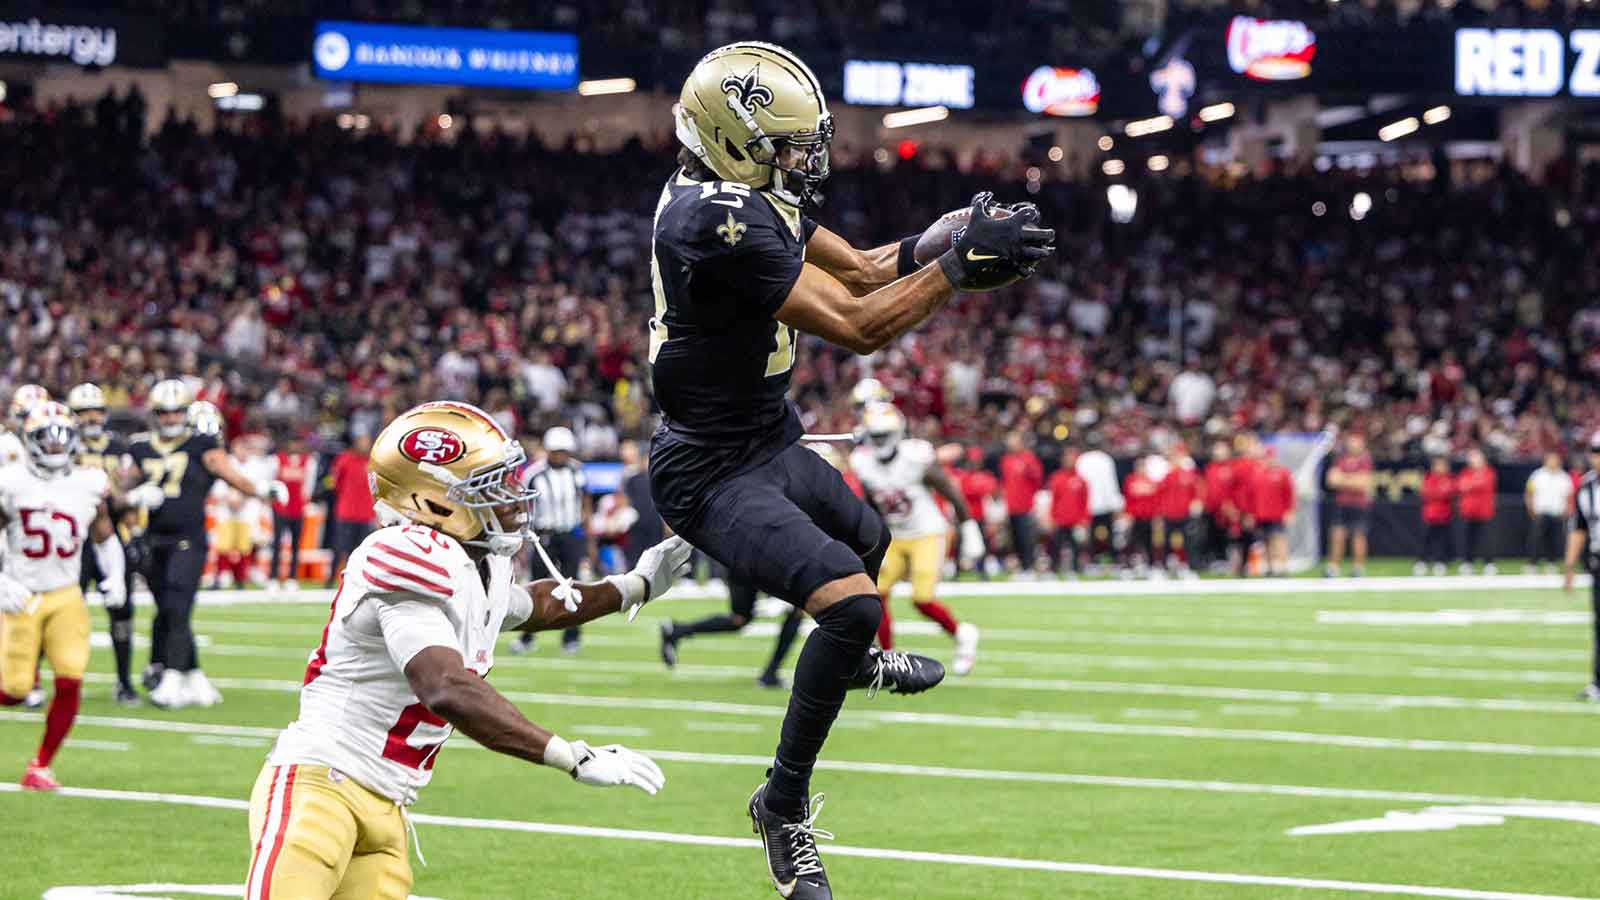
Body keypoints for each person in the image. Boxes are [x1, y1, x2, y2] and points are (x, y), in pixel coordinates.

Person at [650, 41, 1052, 899]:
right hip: (709, 468)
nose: (803, 161)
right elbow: (859, 322)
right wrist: (955, 269)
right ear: (732, 140)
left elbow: (869, 267)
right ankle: (782, 805)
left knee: (867, 537)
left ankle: (849, 662)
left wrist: (945, 232)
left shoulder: (744, 195)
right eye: (787, 147)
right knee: (852, 603)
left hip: (766, 435)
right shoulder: (711, 220)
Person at [246, 400, 691, 899]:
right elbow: (445, 687)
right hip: (323, 786)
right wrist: (570, 757)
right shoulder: (404, 555)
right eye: (490, 486)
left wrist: (635, 585)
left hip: (388, 803)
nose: (511, 497)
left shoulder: (478, 563)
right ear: (432, 501)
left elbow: (537, 606)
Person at [126, 382, 286, 708]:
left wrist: (262, 491)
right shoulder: (141, 448)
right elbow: (119, 492)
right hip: (153, 541)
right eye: (164, 412)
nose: (170, 417)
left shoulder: (201, 444)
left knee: (177, 604)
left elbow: (231, 475)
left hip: (188, 539)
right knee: (169, 609)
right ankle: (193, 674)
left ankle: (171, 675)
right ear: (155, 414)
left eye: (176, 411)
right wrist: (130, 497)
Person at [0, 402, 126, 789]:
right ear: (29, 440)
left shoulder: (90, 481)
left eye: (62, 438)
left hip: (67, 594)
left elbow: (104, 534)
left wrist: (116, 574)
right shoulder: (10, 480)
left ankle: (40, 765)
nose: (55, 447)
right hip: (22, 592)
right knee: (15, 691)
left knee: (70, 679)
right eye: (45, 438)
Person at [848, 403, 981, 675]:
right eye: (876, 435)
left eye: (884, 435)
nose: (880, 442)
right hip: (895, 535)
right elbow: (873, 502)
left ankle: (962, 634)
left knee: (921, 599)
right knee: (876, 595)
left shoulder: (914, 458)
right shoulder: (862, 461)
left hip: (927, 533)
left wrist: (969, 527)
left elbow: (949, 490)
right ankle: (886, 659)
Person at [68, 382, 140, 705]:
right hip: (73, 540)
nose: (91, 417)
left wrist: (134, 530)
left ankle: (124, 681)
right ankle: (60, 681)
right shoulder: (63, 447)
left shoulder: (118, 447)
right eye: (83, 412)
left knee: (121, 613)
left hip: (112, 539)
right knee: (67, 613)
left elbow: (126, 495)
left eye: (95, 410)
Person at [511, 426, 594, 656]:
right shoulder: (534, 474)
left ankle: (571, 637)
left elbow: (585, 504)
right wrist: (521, 539)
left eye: (564, 451)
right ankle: (528, 636)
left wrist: (589, 538)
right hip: (543, 536)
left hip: (571, 534)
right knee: (537, 587)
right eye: (556, 451)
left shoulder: (578, 472)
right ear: (547, 451)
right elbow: (521, 507)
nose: (560, 456)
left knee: (573, 587)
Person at [1564, 433, 1600, 701]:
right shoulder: (1586, 487)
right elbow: (1579, 529)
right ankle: (1598, 682)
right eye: (1595, 451)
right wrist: (1569, 566)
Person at [324, 433, 376, 589]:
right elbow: (336, 483)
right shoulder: (344, 460)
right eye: (362, 442)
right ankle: (329, 580)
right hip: (346, 512)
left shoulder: (372, 463)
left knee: (361, 550)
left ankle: (357, 581)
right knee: (339, 548)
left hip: (366, 514)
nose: (365, 446)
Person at [269, 432, 318, 590]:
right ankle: (274, 577)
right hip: (280, 508)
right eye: (293, 443)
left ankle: (292, 577)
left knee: (296, 544)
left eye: (298, 443)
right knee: (277, 543)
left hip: (298, 508)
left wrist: (305, 502)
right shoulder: (277, 460)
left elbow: (309, 485)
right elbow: (272, 481)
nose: (295, 447)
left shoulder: (308, 462)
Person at [1325, 432, 1375, 577]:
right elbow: (1331, 480)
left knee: (1358, 536)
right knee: (1337, 535)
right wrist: (1353, 479)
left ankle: (1358, 568)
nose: (1354, 445)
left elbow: (1363, 483)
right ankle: (1333, 567)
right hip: (1341, 504)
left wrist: (1343, 479)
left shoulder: (1365, 461)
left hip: (1359, 505)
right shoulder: (1340, 460)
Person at [999, 429, 1043, 575]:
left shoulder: (1029, 458)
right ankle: (1021, 567)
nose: (1010, 442)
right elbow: (1006, 483)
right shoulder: (1006, 460)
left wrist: (1031, 500)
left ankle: (1029, 567)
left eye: (1013, 439)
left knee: (1027, 538)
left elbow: (1037, 480)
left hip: (1025, 506)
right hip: (1011, 506)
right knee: (1015, 539)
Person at [1155, 444, 1202, 577]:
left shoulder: (1189, 475)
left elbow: (1196, 492)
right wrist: (1159, 513)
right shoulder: (1167, 475)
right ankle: (1163, 568)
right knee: (1165, 543)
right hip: (1168, 514)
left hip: (1184, 514)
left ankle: (1191, 568)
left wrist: (1196, 504)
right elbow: (1160, 495)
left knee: (1189, 543)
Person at [1076, 436, 1123, 571]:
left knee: (1090, 535)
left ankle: (1091, 560)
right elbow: (1111, 483)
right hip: (1104, 503)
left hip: (1089, 504)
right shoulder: (1105, 459)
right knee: (1109, 534)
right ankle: (1111, 560)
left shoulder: (1082, 459)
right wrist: (1116, 504)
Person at [1250, 447, 1296, 577]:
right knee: (1265, 541)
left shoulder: (1282, 473)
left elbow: (1289, 494)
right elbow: (1252, 495)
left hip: (1277, 513)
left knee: (1279, 539)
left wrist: (1289, 511)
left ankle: (1284, 567)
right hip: (1261, 513)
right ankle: (1270, 567)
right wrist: (1252, 512)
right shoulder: (1258, 473)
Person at [1526, 451, 1573, 574]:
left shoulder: (1564, 477)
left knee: (1555, 540)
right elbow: (1529, 493)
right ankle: (1532, 564)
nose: (1552, 462)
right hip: (1541, 512)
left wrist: (1567, 511)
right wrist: (1531, 509)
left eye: (1554, 459)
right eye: (1550, 459)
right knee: (1535, 539)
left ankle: (1551, 563)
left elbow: (1569, 496)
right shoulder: (1537, 475)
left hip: (1557, 514)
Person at [1047, 446, 1089, 578]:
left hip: (1076, 521)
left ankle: (1076, 570)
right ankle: (1054, 570)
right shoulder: (1057, 478)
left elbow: (1085, 501)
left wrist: (1084, 519)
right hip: (1060, 519)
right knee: (1056, 546)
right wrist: (1051, 517)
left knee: (1076, 547)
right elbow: (1053, 499)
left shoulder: (1081, 480)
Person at [1458, 447, 1498, 574]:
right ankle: (1468, 563)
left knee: (1486, 539)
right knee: (1468, 539)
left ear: (1483, 459)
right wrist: (1473, 483)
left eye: (1476, 457)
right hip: (1468, 512)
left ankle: (1489, 563)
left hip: (1484, 512)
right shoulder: (1465, 472)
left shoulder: (1489, 472)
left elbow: (1483, 484)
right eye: (1471, 457)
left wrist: (1472, 484)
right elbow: (1461, 486)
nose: (1473, 460)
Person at [1121, 456, 1161, 575]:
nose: (1141, 468)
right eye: (1139, 466)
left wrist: (1157, 517)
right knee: (1131, 542)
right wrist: (1127, 515)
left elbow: (1156, 501)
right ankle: (1128, 567)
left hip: (1148, 517)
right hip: (1134, 517)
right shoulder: (1130, 480)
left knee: (1149, 542)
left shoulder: (1152, 482)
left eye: (1143, 466)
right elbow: (1127, 499)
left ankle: (1152, 566)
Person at [1418, 456, 1456, 576]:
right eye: (1436, 465)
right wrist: (1439, 492)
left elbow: (1450, 492)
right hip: (1429, 516)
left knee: (1443, 541)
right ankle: (1422, 562)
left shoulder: (1450, 479)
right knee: (1426, 540)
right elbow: (1425, 493)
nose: (1438, 468)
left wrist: (1438, 492)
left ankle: (1441, 562)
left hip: (1444, 515)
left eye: (1441, 465)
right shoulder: (1429, 478)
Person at [1201, 440, 1235, 572]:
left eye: (1221, 449)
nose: (1218, 453)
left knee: (1228, 536)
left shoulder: (1232, 468)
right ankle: (1215, 561)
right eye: (1216, 450)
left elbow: (1234, 489)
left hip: (1227, 510)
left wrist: (1230, 504)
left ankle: (1228, 561)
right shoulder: (1210, 468)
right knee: (1211, 535)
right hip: (1211, 509)